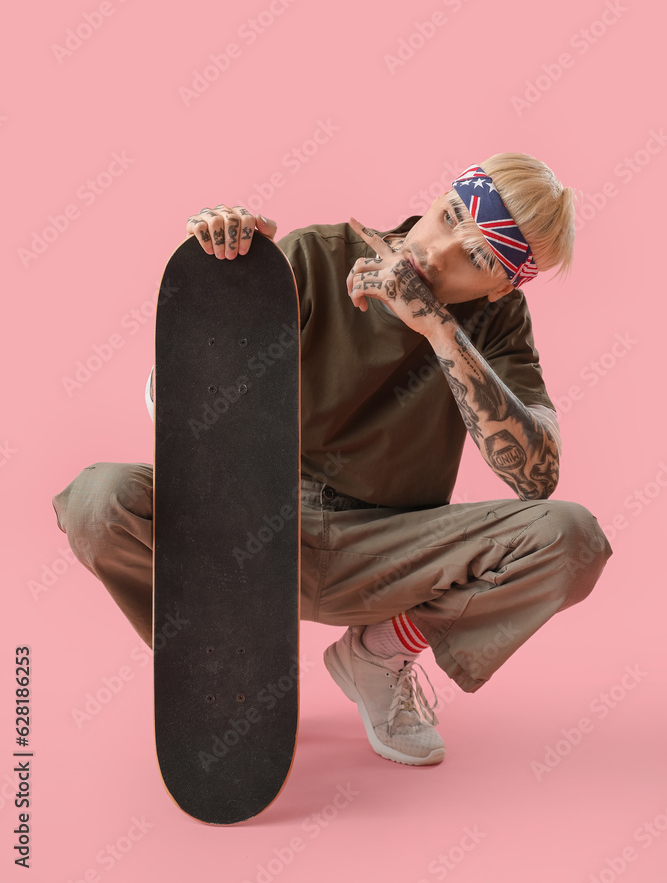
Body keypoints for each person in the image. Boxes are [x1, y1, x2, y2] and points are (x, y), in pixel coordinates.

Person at [51, 152, 613, 768]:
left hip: (389, 552)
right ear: (442, 195)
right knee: (97, 501)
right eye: (451, 215)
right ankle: (218, 655)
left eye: (478, 258)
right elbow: (185, 419)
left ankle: (376, 655)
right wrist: (224, 282)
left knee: (573, 538)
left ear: (501, 284)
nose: (442, 250)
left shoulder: (499, 321)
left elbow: (536, 475)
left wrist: (437, 328)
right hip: (255, 530)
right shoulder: (317, 256)